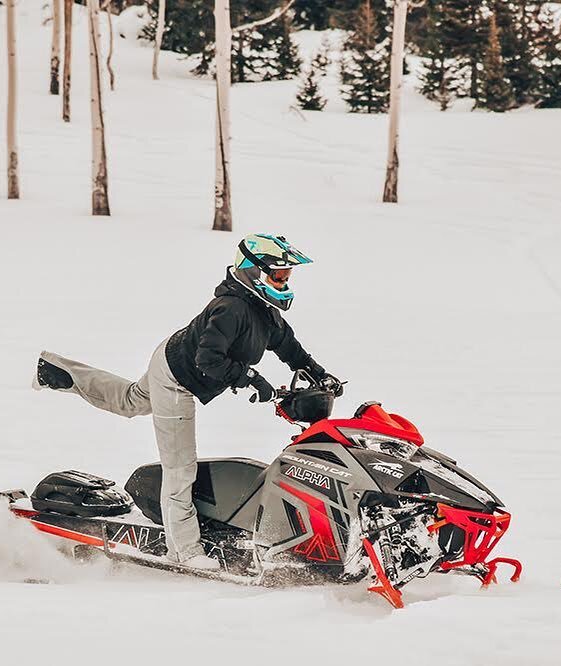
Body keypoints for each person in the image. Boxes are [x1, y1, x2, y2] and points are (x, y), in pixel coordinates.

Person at [34, 234, 340, 570]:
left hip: (171, 356)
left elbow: (288, 347)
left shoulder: (262, 311)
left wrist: (318, 373)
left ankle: (57, 371)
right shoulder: (231, 309)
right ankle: (184, 551)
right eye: (279, 275)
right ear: (254, 272)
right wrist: (248, 378)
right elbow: (207, 360)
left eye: (287, 276)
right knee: (180, 469)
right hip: (177, 378)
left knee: (130, 401)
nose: (284, 282)